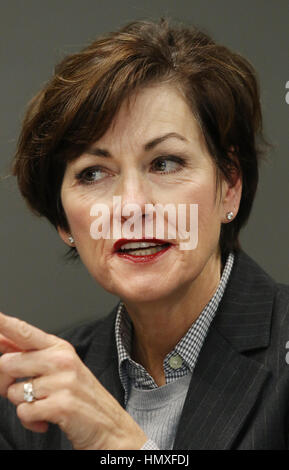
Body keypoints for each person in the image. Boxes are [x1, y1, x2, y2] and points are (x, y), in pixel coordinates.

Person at [0, 17, 288, 450]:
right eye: (93, 173)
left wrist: (120, 444)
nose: (132, 207)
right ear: (63, 221)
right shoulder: (35, 397)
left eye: (165, 163)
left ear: (230, 185)